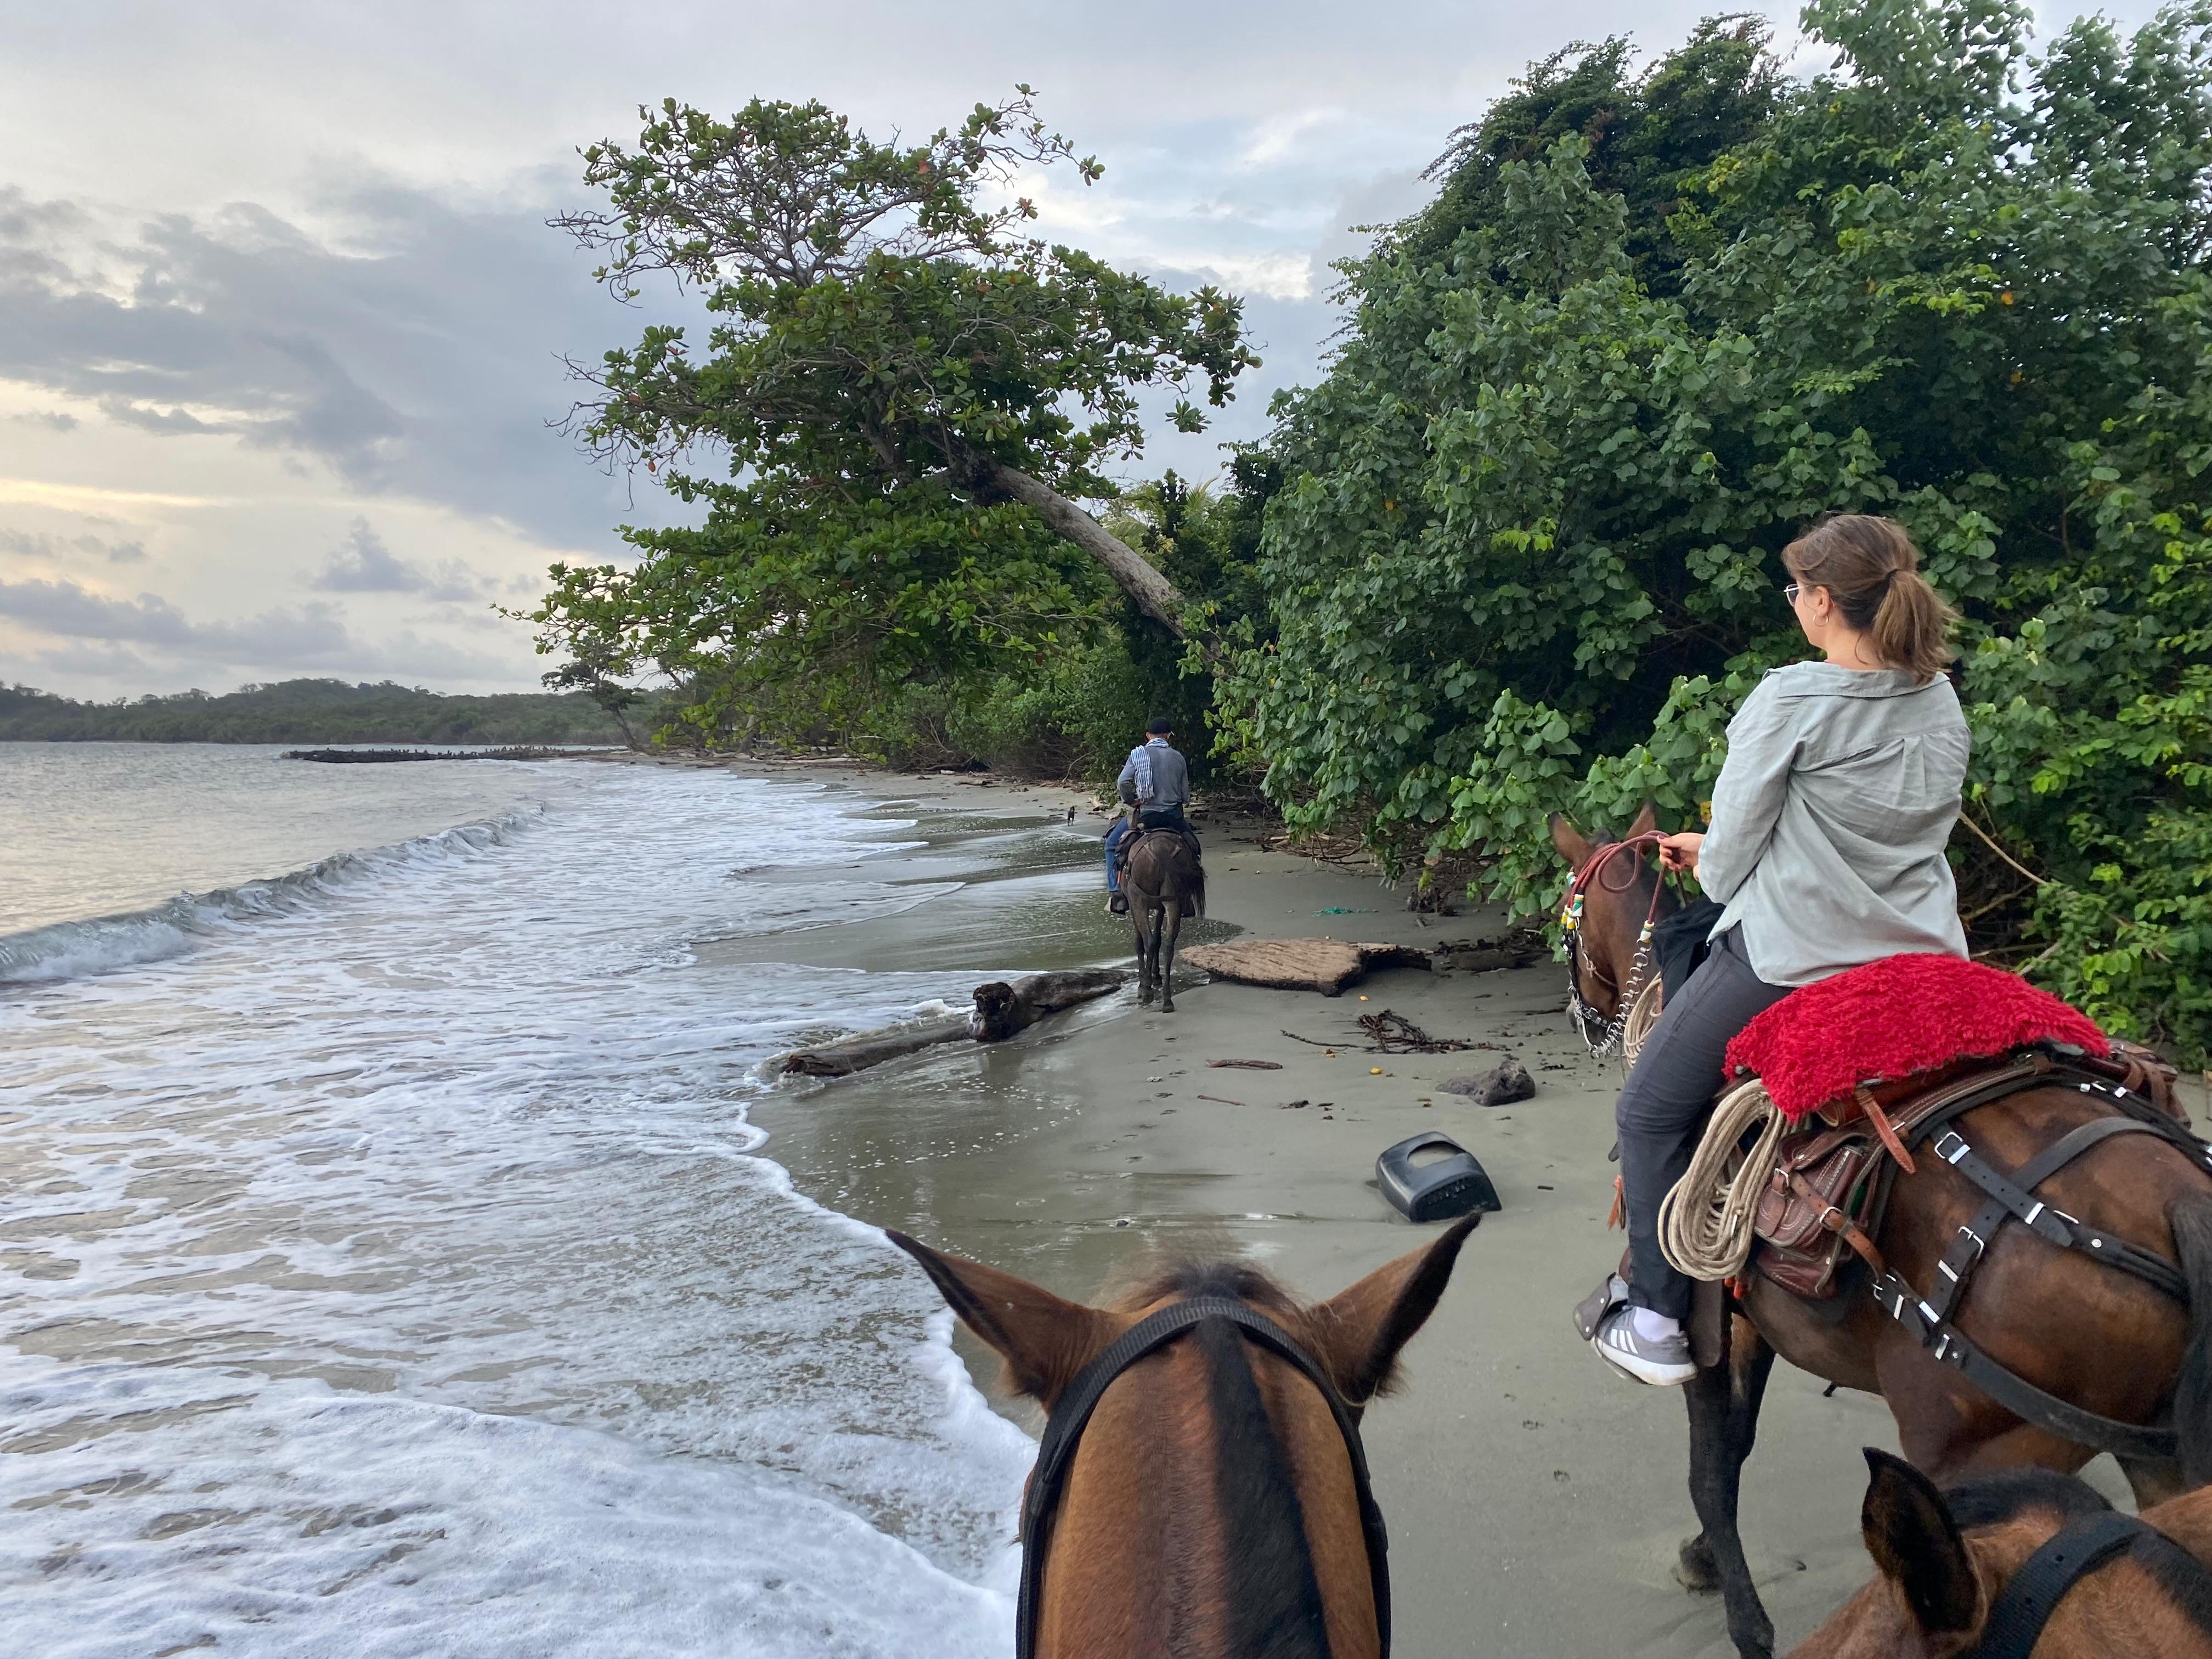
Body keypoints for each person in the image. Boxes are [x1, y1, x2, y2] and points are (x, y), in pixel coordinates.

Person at [1585, 515, 1971, 1385]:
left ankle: (1654, 1317)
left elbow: (1728, 873)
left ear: (1824, 601)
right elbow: (1884, 834)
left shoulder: (1792, 698)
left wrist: (1709, 852)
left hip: (1793, 959)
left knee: (1647, 1111)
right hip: (1922, 957)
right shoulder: (1937, 697)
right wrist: (1720, 847)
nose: (1793, 602)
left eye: (1796, 589)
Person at [1104, 716, 1194, 915]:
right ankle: (1188, 898)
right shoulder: (1178, 757)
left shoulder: (1138, 755)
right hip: (1172, 816)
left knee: (1111, 846)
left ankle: (1117, 895)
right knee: (1194, 849)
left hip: (1146, 815)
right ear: (1168, 736)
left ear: (1148, 736)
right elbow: (1185, 796)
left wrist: (1132, 800)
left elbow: (1123, 782)